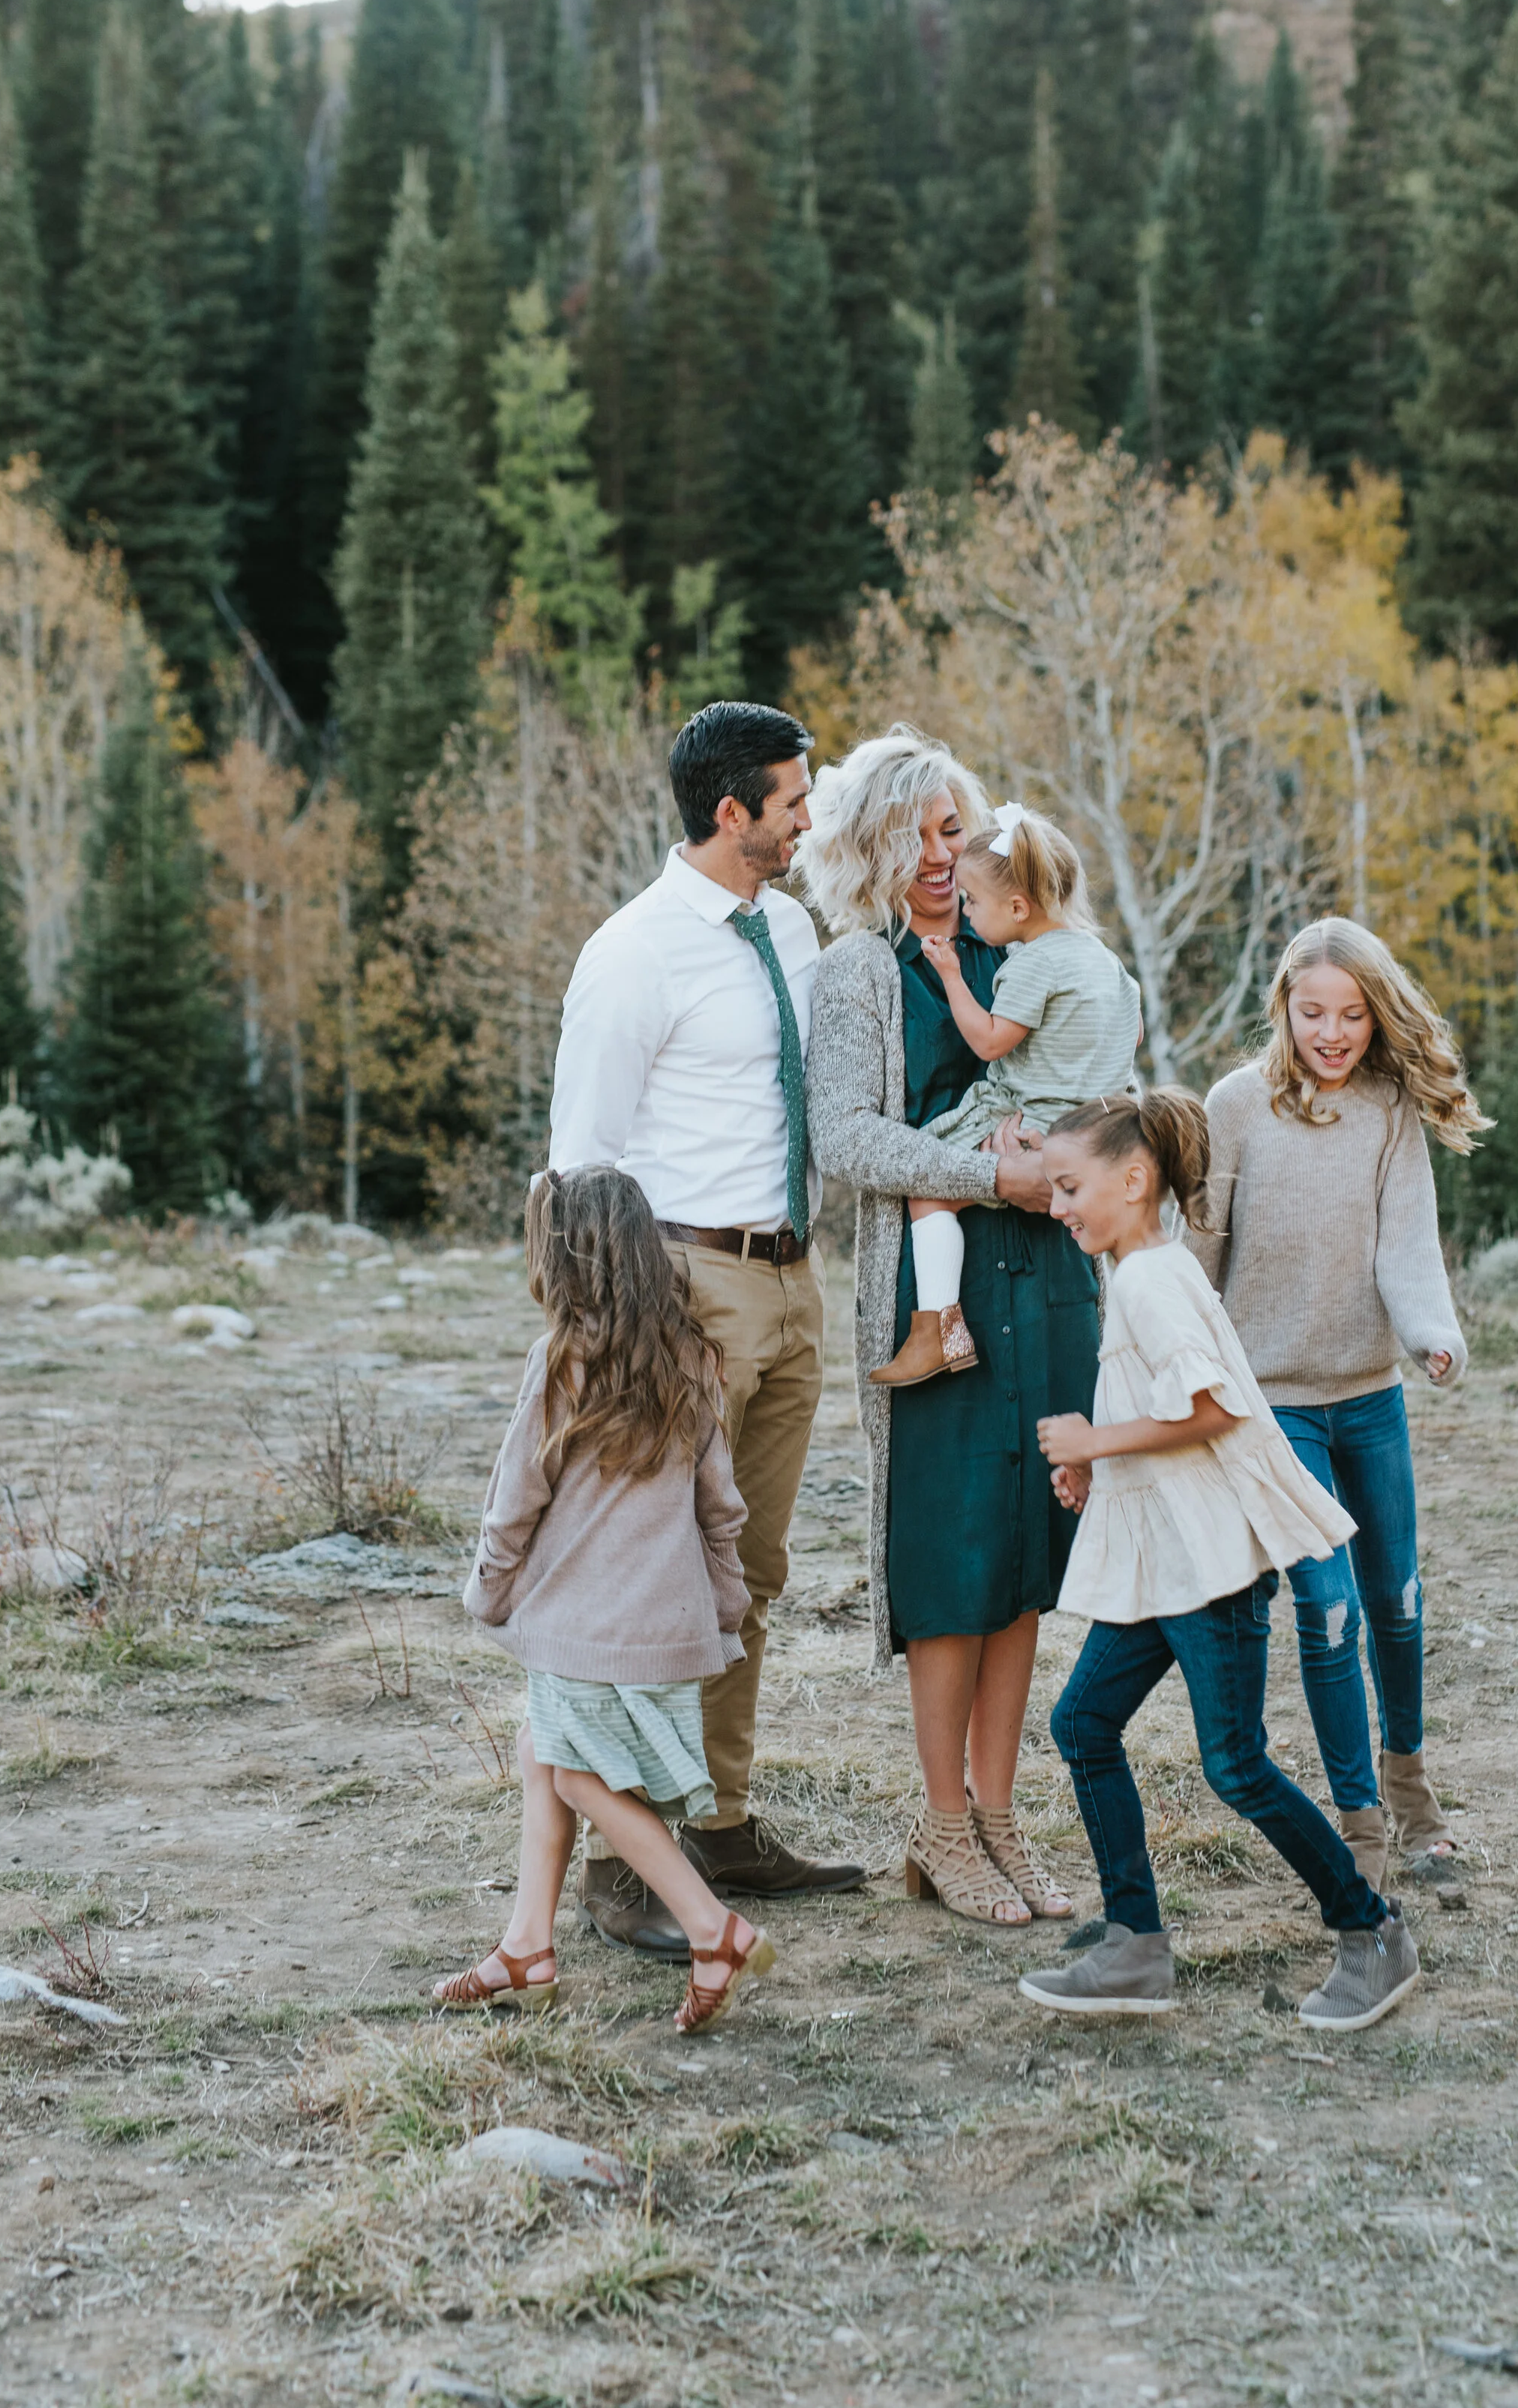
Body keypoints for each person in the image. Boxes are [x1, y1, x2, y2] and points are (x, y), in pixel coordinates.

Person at [548, 699, 864, 1956]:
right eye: (791, 801)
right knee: (653, 1583)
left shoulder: (789, 927)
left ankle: (722, 1821)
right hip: (683, 1290)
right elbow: (581, 1165)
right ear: (728, 813)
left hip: (792, 1285)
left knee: (750, 1577)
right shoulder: (633, 955)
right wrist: (622, 1334)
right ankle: (629, 1872)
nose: (805, 819)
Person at [1021, 1091, 1420, 2032]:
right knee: (1082, 1724)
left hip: (1211, 1571)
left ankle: (1372, 1930)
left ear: (1134, 1179)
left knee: (1234, 1765)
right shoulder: (1137, 1273)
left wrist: (1089, 1439)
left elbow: (1213, 1411)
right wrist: (1100, 1457)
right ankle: (1133, 1946)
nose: (1059, 1205)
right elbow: (1162, 1407)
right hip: (1166, 1565)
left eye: (1070, 1187)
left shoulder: (1153, 1281)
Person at [800, 727, 1096, 1928]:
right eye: (924, 833)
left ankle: (999, 1814)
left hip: (1051, 1278)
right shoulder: (858, 974)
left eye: (957, 832)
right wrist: (990, 1177)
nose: (946, 854)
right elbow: (848, 1138)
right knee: (951, 1560)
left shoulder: (1017, 948)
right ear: (877, 842)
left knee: (1027, 1552)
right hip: (943, 1302)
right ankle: (937, 1821)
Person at [434, 1168, 775, 2037]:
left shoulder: (562, 1360)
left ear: (566, 1261)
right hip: (660, 1620)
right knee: (544, 1746)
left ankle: (713, 1928)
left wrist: (488, 1588)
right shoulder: (694, 1358)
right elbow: (720, 1507)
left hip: (585, 1624)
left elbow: (517, 1495)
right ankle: (527, 1946)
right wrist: (724, 1607)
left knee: (580, 1773)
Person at [1198, 917, 1488, 1893]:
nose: (1331, 1032)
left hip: (1369, 1397)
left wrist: (1431, 1332)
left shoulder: (1387, 1111)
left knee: (1396, 1603)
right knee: (1325, 1613)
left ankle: (1413, 1798)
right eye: (1313, 1011)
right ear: (1282, 1004)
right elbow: (1198, 1252)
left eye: (1352, 1014)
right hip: (1274, 1407)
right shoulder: (1234, 1107)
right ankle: (1358, 1822)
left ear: (1375, 1016)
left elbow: (1405, 1240)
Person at [874, 801, 1141, 1387]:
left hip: (1025, 1121)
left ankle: (938, 1329)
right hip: (1092, 1129)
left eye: (973, 902)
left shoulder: (1030, 965)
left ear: (1018, 908)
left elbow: (991, 1041)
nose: (965, 911)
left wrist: (947, 973)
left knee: (929, 1185)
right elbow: (1129, 1038)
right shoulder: (1107, 963)